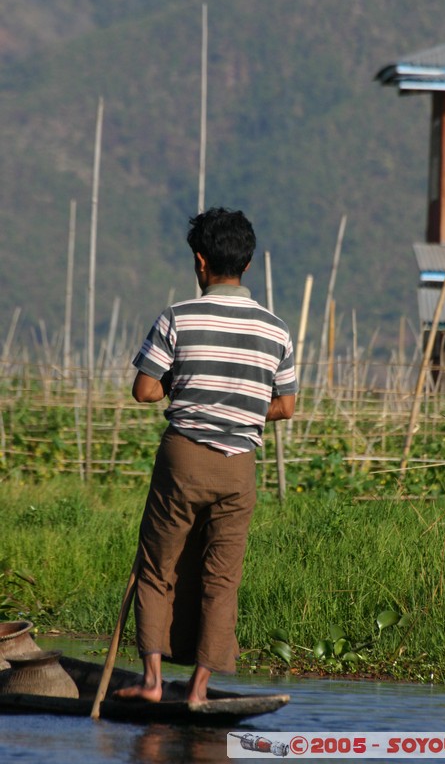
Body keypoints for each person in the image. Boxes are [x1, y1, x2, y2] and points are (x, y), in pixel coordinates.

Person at [114, 207, 297, 705]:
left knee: (157, 565)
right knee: (222, 577)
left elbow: (145, 391)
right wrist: (241, 403)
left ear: (200, 262)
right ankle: (198, 689)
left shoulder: (178, 317)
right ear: (248, 264)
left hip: (184, 458)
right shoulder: (276, 330)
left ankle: (152, 682)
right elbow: (285, 406)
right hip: (239, 466)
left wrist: (184, 389)